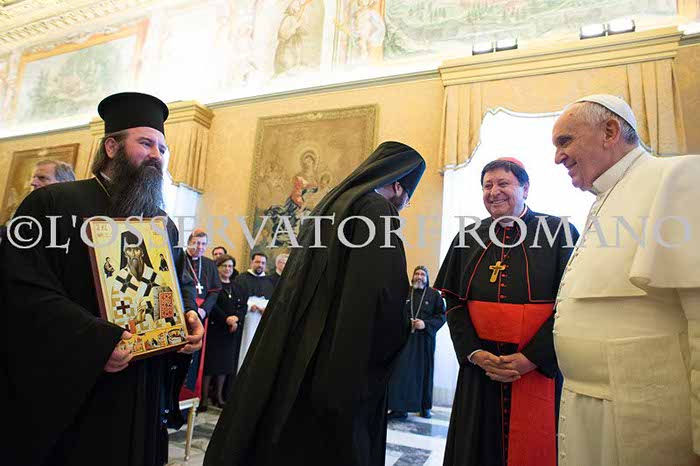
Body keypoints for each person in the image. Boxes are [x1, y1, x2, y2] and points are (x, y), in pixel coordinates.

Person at [0, 92, 204, 466]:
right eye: (146, 143)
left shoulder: (163, 224)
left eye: (162, 148)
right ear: (112, 147)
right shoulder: (51, 205)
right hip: (76, 389)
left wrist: (189, 316)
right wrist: (95, 341)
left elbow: (179, 283)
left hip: (143, 385)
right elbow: (21, 288)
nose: (157, 155)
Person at [204, 141, 425, 466]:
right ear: (396, 185)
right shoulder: (377, 210)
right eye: (408, 197)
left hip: (299, 346)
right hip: (340, 359)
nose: (404, 205)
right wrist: (400, 328)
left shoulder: (334, 202)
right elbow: (383, 294)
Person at [551, 94, 700, 465]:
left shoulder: (677, 177)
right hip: (583, 406)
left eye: (565, 141)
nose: (557, 157)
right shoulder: (602, 198)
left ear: (610, 131)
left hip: (639, 414)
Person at [434, 157, 578, 466]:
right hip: (481, 370)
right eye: (487, 185)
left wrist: (533, 358)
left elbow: (572, 303)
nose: (493, 192)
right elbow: (454, 302)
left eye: (503, 183)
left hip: (536, 369)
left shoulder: (559, 232)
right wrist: (474, 352)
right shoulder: (468, 237)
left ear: (525, 188)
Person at [387, 265, 445, 420]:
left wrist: (425, 324)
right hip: (405, 338)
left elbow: (442, 316)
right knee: (401, 373)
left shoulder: (434, 295)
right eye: (417, 274)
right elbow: (395, 312)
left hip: (424, 340)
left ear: (427, 278)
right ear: (412, 277)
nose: (419, 277)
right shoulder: (405, 292)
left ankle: (424, 407)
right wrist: (407, 323)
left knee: (425, 372)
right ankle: (399, 409)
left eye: (422, 274)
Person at [182, 229, 221, 411]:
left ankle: (191, 398)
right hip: (183, 312)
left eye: (204, 244)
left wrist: (204, 310)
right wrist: (190, 308)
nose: (200, 247)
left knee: (197, 358)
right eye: (197, 243)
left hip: (201, 316)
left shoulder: (209, 264)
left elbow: (215, 291)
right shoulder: (180, 259)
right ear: (189, 242)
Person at [203, 254, 246, 409]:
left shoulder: (236, 287)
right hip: (215, 330)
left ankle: (219, 397)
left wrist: (236, 319)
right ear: (218, 268)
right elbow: (212, 306)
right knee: (210, 366)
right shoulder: (213, 285)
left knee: (224, 366)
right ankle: (203, 398)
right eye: (224, 266)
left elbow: (242, 306)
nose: (228, 269)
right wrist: (226, 319)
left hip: (230, 332)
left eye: (230, 266)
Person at [234, 252, 275, 372]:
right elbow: (237, 299)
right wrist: (249, 306)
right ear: (251, 262)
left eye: (263, 263)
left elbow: (273, 300)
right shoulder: (241, 279)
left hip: (262, 320)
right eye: (257, 262)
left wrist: (266, 308)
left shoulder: (269, 282)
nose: (260, 265)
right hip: (246, 320)